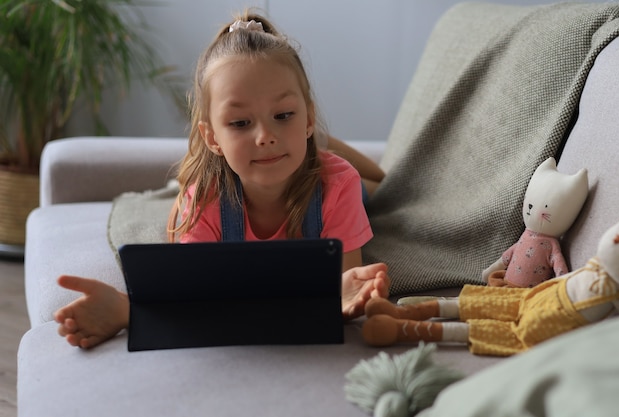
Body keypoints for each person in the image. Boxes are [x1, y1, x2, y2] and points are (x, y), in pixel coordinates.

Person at [55, 11, 389, 349]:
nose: (264, 136)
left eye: (283, 114)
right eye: (241, 123)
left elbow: (342, 286)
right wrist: (127, 310)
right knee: (267, 154)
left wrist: (345, 297)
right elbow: (193, 299)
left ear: (308, 117)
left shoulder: (339, 184)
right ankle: (307, 139)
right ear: (212, 137)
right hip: (261, 159)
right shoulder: (204, 200)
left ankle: (326, 145)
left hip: (336, 178)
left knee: (379, 186)